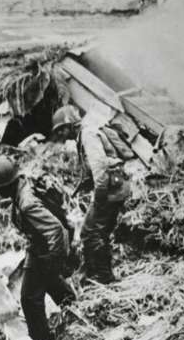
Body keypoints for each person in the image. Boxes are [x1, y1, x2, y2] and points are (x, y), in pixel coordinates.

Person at [0, 156, 75, 340]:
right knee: (51, 285)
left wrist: (55, 261)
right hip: (39, 246)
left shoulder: (27, 203)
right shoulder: (23, 186)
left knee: (30, 298)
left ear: (5, 186)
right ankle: (76, 311)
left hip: (46, 249)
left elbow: (56, 230)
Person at [51, 105, 131, 284]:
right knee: (99, 232)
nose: (61, 134)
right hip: (114, 187)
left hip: (111, 190)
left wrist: (99, 199)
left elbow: (100, 169)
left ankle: (102, 276)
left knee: (89, 231)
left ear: (70, 124)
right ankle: (100, 273)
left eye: (62, 129)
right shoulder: (84, 135)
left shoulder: (88, 135)